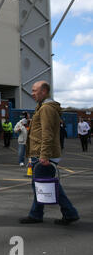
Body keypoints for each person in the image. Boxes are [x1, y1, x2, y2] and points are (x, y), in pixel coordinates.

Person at [19, 81, 79, 225]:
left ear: (44, 92)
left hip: (44, 153)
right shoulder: (42, 107)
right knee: (42, 184)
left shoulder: (46, 108)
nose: (32, 93)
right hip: (39, 153)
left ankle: (66, 213)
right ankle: (44, 214)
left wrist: (44, 155)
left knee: (44, 184)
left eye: (35, 91)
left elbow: (47, 134)